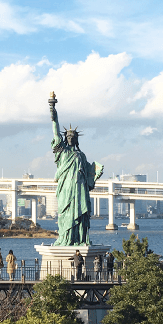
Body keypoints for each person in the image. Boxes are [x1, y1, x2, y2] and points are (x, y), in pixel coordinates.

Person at [49, 92, 104, 246]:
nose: (70, 138)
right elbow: (55, 128)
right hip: (66, 188)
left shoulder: (82, 155)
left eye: (73, 137)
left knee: (81, 215)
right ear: (65, 139)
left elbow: (89, 176)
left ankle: (79, 239)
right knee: (66, 213)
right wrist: (52, 108)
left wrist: (96, 173)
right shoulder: (62, 151)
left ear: (77, 139)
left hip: (79, 189)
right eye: (68, 137)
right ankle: (65, 238)